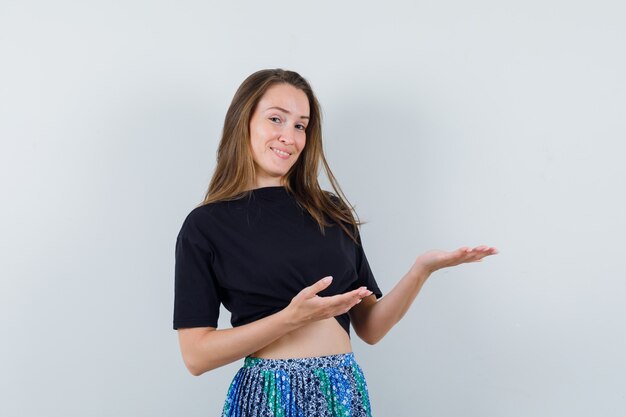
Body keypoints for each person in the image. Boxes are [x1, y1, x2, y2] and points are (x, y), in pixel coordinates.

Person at [172, 68, 498, 416]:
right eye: (276, 119)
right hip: (270, 396)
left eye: (300, 125)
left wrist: (422, 270)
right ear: (243, 121)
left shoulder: (329, 210)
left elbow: (370, 328)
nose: (289, 136)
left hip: (342, 391)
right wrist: (290, 318)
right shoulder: (206, 225)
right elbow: (196, 356)